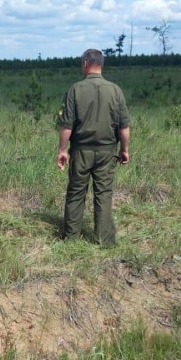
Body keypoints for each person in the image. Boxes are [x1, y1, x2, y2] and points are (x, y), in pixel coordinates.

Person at [56, 49, 131, 245]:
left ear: (85, 64)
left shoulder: (75, 89)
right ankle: (104, 240)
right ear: (101, 65)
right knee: (104, 194)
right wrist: (124, 150)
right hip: (107, 152)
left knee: (76, 193)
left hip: (81, 151)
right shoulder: (116, 90)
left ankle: (71, 238)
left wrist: (62, 150)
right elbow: (124, 127)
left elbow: (66, 125)